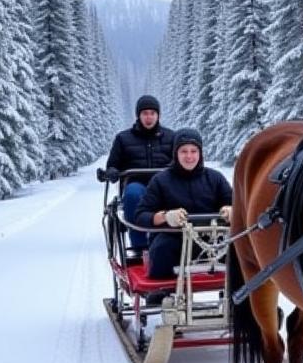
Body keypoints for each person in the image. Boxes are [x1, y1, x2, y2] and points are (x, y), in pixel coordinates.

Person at [135, 128, 232, 280]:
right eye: (183, 151)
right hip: (174, 239)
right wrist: (165, 217)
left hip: (211, 240)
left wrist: (231, 210)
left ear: (200, 153)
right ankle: (160, 293)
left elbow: (236, 204)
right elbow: (141, 215)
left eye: (193, 151)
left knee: (240, 245)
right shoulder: (160, 180)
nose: (189, 156)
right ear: (175, 153)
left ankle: (243, 295)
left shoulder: (215, 178)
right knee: (162, 248)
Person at [98, 94, 174, 250]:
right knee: (133, 194)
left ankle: (172, 239)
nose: (149, 117)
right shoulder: (123, 139)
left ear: (158, 115)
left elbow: (178, 161)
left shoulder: (171, 137)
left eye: (153, 113)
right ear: (138, 115)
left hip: (163, 183)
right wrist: (111, 172)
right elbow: (113, 164)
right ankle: (139, 244)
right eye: (145, 113)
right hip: (136, 183)